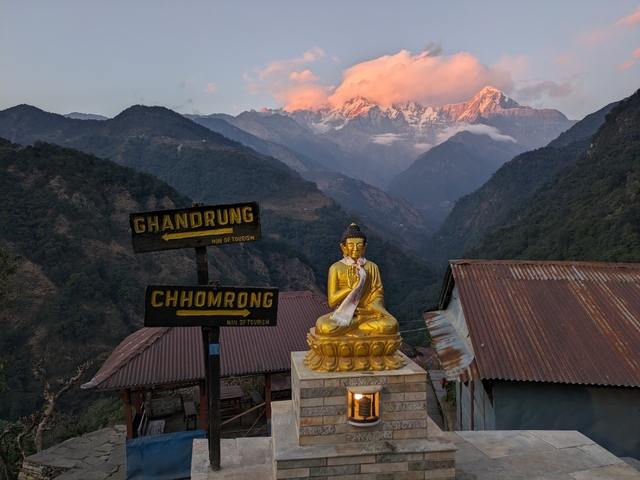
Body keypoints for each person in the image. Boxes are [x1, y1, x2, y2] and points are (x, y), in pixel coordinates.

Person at [315, 223, 399, 337]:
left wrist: (368, 310)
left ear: (364, 247)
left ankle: (357, 326)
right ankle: (360, 328)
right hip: (345, 313)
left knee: (392, 325)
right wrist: (350, 288)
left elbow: (378, 295)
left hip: (368, 314)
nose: (355, 249)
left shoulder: (372, 267)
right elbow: (332, 300)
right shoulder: (336, 268)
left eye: (359, 245)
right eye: (351, 245)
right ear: (343, 247)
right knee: (324, 327)